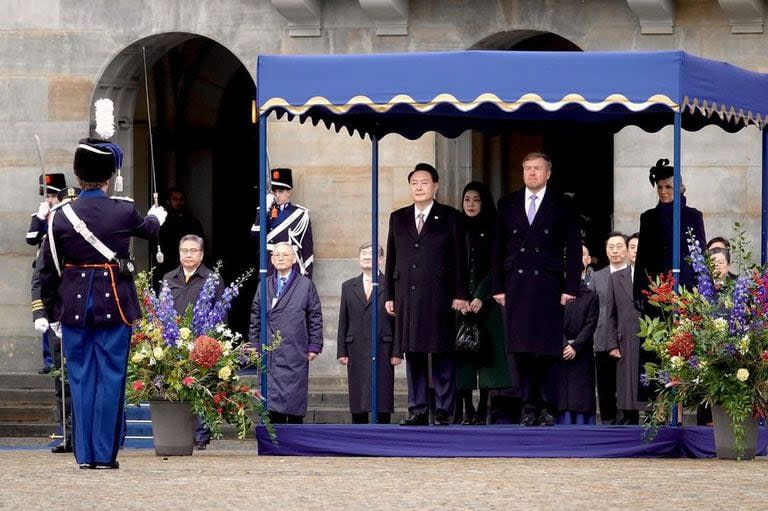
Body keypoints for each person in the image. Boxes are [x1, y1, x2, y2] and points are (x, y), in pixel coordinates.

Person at [38, 139, 166, 469]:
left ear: (79, 177)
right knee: (111, 378)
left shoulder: (58, 216)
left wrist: (50, 312)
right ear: (108, 178)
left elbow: (49, 268)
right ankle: (104, 455)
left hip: (74, 306)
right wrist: (157, 216)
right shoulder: (122, 209)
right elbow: (149, 231)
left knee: (80, 379)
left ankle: (84, 456)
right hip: (115, 302)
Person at [491, 152, 582, 426]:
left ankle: (548, 406)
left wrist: (571, 286)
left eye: (537, 169)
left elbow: (574, 248)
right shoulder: (507, 203)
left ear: (548, 173)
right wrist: (497, 286)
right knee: (522, 352)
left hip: (548, 286)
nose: (532, 173)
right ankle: (527, 406)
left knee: (547, 352)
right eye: (527, 168)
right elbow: (496, 247)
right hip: (517, 285)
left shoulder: (562, 204)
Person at [385, 163, 468, 426]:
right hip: (407, 297)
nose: (419, 187)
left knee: (442, 353)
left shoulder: (451, 216)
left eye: (424, 182)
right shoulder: (398, 217)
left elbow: (459, 259)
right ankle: (417, 408)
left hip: (440, 297)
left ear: (435, 186)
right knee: (414, 354)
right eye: (414, 183)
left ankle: (443, 409)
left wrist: (460, 293)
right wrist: (389, 294)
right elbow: (391, 260)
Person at [633, 158, 705, 402]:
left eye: (669, 188)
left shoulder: (693, 216)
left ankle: (683, 405)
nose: (664, 192)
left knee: (683, 348)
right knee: (656, 350)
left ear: (681, 189)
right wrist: (638, 292)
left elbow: (699, 256)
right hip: (656, 293)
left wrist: (700, 292)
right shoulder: (648, 217)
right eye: (660, 187)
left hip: (684, 292)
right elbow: (641, 258)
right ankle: (659, 406)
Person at [454, 181, 514, 425]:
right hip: (460, 303)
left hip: (487, 302)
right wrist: (461, 296)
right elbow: (453, 265)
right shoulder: (456, 227)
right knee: (464, 355)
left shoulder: (493, 228)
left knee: (487, 357)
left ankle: (483, 407)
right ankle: (466, 407)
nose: (470, 204)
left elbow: (496, 266)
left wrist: (480, 294)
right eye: (467, 199)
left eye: (476, 200)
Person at [249, 241, 323, 424]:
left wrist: (314, 345)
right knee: (270, 396)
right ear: (272, 260)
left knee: (294, 396)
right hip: (269, 349)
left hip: (294, 348)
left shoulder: (305, 285)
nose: (281, 258)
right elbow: (255, 316)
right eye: (277, 255)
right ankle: (274, 438)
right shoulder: (264, 285)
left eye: (285, 255)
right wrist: (254, 344)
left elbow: (315, 317)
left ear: (293, 259)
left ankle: (295, 437)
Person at [161, 234, 224, 447]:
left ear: (202, 254)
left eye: (193, 251)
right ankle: (179, 433)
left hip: (201, 341)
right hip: (174, 341)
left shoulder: (211, 279)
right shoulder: (169, 278)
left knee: (201, 387)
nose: (188, 255)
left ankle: (201, 436)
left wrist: (212, 340)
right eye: (184, 251)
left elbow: (220, 311)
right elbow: (162, 310)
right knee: (177, 386)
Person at [31, 186, 80, 453]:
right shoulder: (51, 240)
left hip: (86, 315)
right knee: (63, 382)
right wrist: (41, 313)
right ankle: (69, 434)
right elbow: (39, 279)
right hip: (60, 319)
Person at [337, 243, 398, 424]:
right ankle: (359, 432)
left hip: (383, 346)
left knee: (382, 392)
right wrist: (342, 351)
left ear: (380, 259)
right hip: (355, 346)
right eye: (363, 254)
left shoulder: (391, 285)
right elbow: (343, 319)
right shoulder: (348, 286)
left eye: (371, 254)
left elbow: (397, 320)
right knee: (358, 394)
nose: (366, 257)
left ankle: (383, 434)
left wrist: (397, 352)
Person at [27, 173, 66, 374]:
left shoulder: (65, 214)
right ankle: (49, 360)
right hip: (44, 272)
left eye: (52, 196)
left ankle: (62, 358)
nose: (49, 200)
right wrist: (40, 219)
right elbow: (31, 239)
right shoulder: (40, 216)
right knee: (43, 315)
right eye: (47, 196)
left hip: (61, 271)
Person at [559, 243, 599, 424]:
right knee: (561, 393)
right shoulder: (556, 294)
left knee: (581, 394)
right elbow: (551, 321)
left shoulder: (591, 296)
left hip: (582, 351)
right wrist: (563, 344)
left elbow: (591, 323)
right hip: (559, 350)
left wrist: (575, 346)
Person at [589, 232, 627, 425]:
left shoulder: (634, 273)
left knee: (626, 384)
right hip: (602, 336)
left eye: (619, 246)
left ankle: (628, 421)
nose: (615, 250)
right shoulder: (597, 277)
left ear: (627, 249)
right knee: (605, 385)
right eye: (610, 246)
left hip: (627, 337)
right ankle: (607, 421)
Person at [250, 168, 314, 278]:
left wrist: (306, 277)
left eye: (280, 191)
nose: (277, 195)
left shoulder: (300, 214)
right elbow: (255, 234)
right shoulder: (264, 212)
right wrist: (264, 210)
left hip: (292, 268)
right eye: (274, 192)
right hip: (269, 267)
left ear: (288, 192)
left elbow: (307, 249)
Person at [609, 233, 645, 424]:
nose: (636, 251)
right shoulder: (616, 278)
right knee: (626, 386)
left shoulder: (655, 277)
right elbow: (610, 315)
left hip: (649, 339)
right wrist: (612, 343)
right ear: (627, 251)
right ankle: (629, 422)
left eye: (640, 246)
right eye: (632, 247)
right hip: (625, 339)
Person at [155, 187, 204, 288]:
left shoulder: (192, 221)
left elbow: (201, 243)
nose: (179, 202)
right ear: (168, 201)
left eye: (181, 199)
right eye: (175, 199)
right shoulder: (162, 221)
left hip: (190, 266)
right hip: (167, 266)